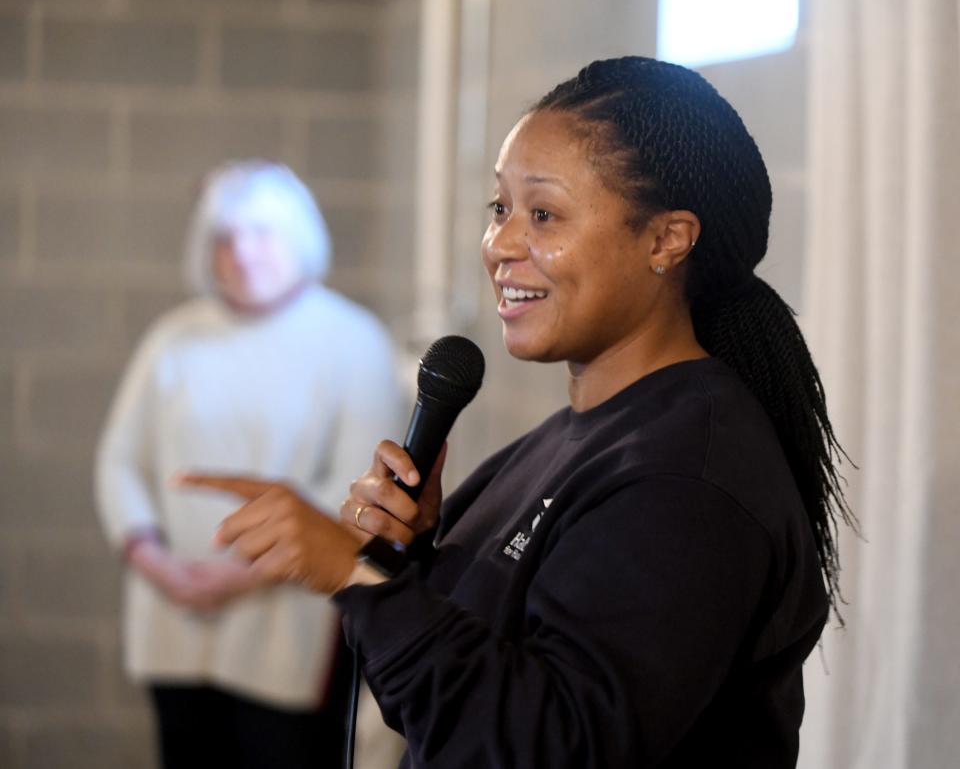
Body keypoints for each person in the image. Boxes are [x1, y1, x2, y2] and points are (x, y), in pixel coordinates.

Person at [182, 58, 854, 768]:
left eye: (543, 214)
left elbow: (548, 744)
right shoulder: (574, 438)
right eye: (499, 209)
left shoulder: (692, 479)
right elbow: (453, 694)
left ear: (666, 239)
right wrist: (405, 559)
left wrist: (357, 579)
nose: (501, 245)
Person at [95, 160, 404, 769]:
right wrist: (154, 561)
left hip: (288, 625)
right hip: (172, 611)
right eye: (225, 237)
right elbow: (120, 460)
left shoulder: (352, 341)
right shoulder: (173, 339)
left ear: (298, 237)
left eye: (260, 233)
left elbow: (355, 491)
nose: (242, 252)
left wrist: (235, 578)